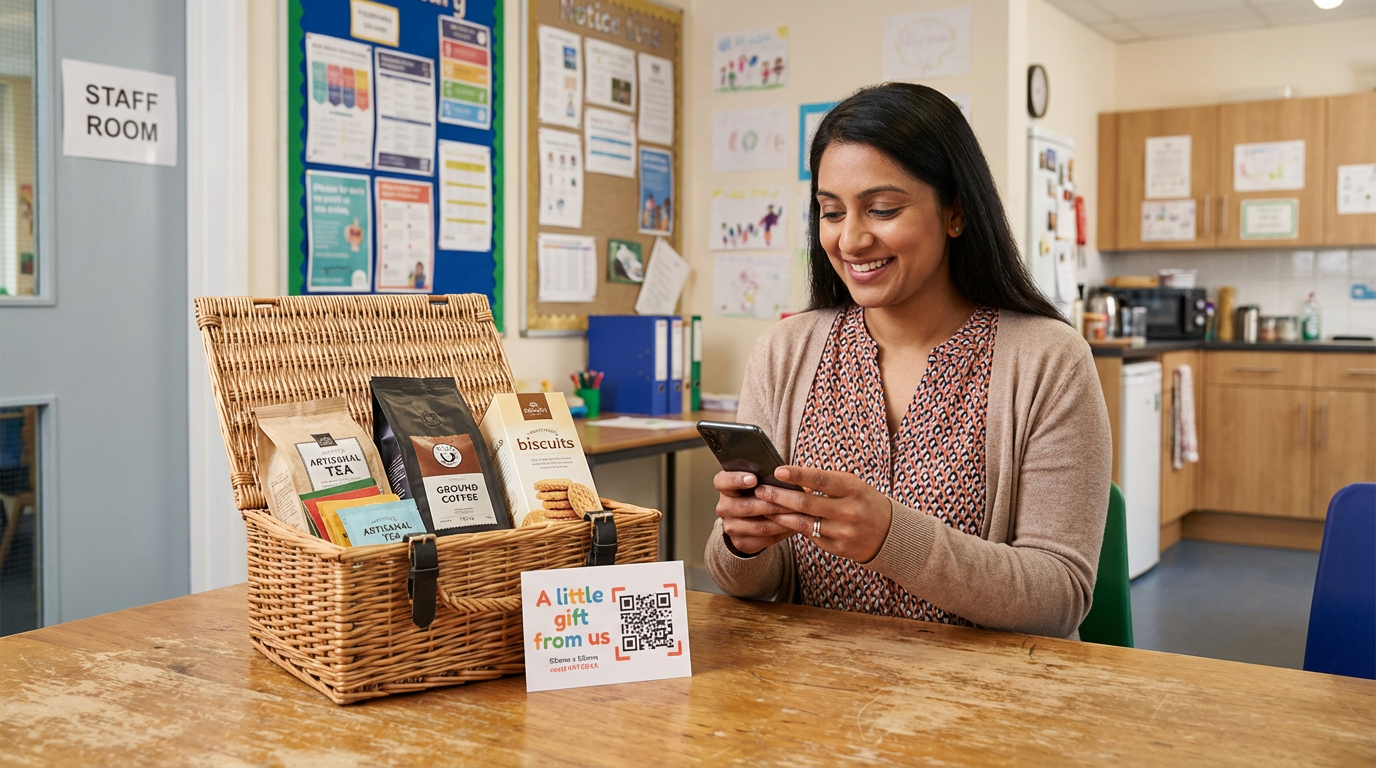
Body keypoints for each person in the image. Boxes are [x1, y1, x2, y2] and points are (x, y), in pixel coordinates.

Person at [704, 83, 1111, 640]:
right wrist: (741, 543)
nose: (850, 239)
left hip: (991, 705)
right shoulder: (786, 351)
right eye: (830, 211)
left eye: (882, 209)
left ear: (956, 214)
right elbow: (747, 584)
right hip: (815, 694)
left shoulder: (1049, 362)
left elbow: (1059, 597)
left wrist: (891, 538)